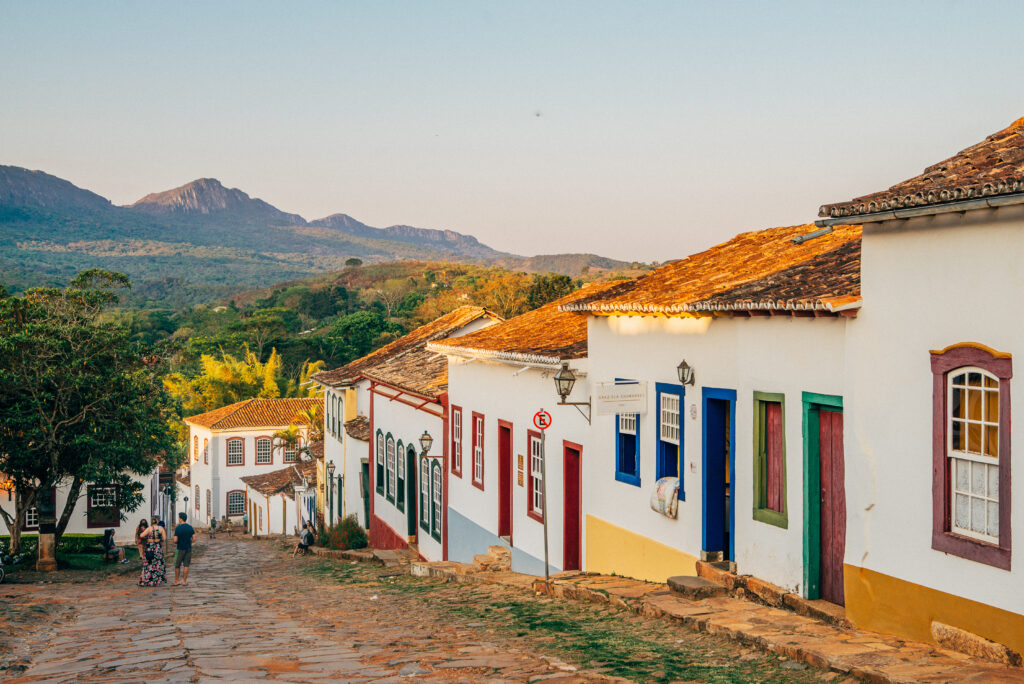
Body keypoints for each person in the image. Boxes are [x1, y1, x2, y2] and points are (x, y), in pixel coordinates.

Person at [138, 515, 166, 586]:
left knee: (147, 563)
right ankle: (156, 581)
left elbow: (141, 535)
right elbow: (164, 538)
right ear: (157, 521)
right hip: (158, 547)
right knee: (157, 564)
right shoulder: (161, 528)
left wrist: (147, 537)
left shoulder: (149, 528)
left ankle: (144, 581)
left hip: (150, 547)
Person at [172, 512, 195, 586]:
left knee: (177, 565)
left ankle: (177, 580)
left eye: (178, 517)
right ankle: (184, 581)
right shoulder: (190, 527)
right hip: (188, 548)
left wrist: (177, 542)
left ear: (181, 518)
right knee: (186, 565)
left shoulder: (178, 528)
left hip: (180, 548)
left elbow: (175, 540)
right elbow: (194, 538)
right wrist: (189, 542)